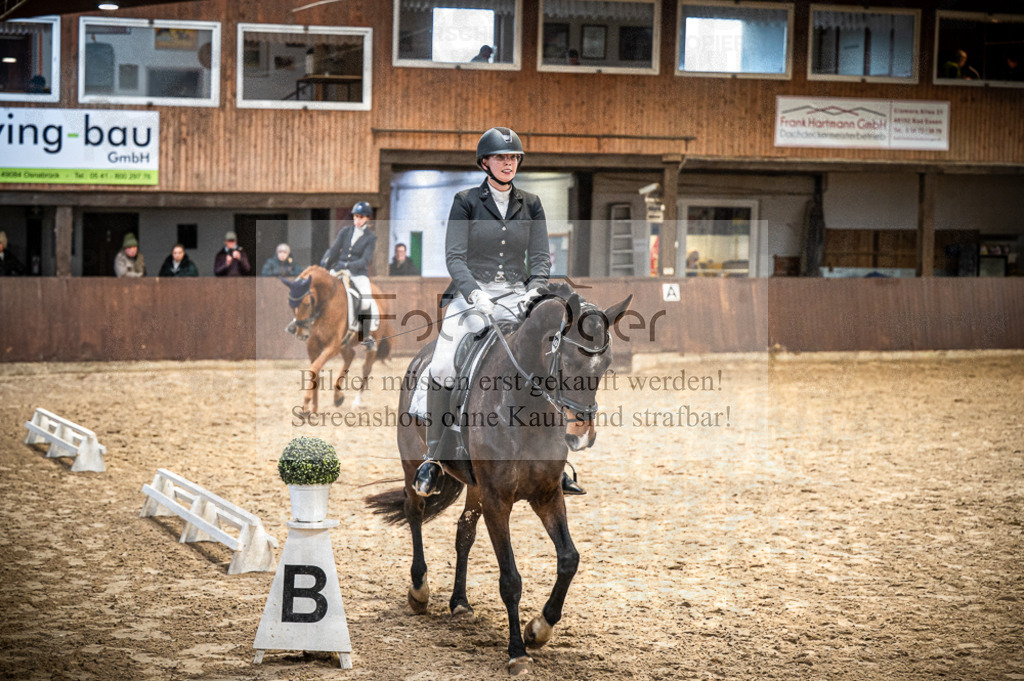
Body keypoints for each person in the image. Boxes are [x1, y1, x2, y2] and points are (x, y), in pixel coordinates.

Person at [410, 126, 585, 498]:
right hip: (471, 296)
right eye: (501, 158)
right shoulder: (466, 201)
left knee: (547, 358)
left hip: (518, 295)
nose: (508, 163)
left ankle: (556, 457)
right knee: (442, 364)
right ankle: (434, 454)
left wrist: (535, 289)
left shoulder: (532, 203)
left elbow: (540, 258)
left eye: (513, 158)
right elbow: (455, 257)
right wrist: (474, 293)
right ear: (485, 162)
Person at [318, 201, 380, 343]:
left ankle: (365, 335)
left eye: (361, 217)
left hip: (358, 274)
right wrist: (325, 261)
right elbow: (334, 249)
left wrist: (346, 265)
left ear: (367, 218)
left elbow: (365, 260)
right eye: (356, 217)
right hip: (339, 270)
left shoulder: (371, 238)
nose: (357, 220)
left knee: (365, 300)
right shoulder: (345, 231)